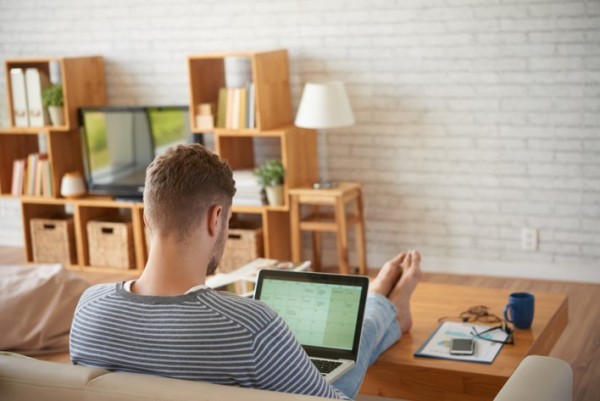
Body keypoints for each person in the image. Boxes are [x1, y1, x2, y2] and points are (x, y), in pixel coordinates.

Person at [70, 144, 421, 400]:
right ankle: (382, 304)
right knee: (332, 381)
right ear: (216, 217)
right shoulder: (251, 326)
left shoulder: (89, 309)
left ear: (147, 216)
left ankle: (383, 304)